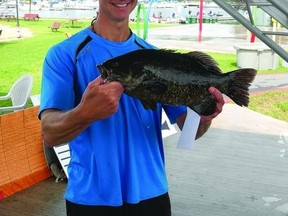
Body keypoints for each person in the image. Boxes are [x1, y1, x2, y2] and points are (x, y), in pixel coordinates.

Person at [39, 0, 225, 215]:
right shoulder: (65, 54)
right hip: (90, 197)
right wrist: (85, 112)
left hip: (152, 193)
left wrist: (204, 117)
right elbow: (50, 134)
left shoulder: (156, 57)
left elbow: (190, 133)